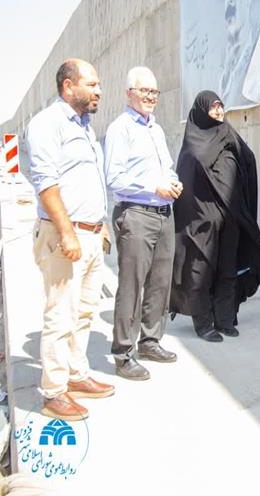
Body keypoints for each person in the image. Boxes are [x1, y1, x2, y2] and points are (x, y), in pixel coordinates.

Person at [26, 58, 115, 421]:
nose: (99, 91)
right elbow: (45, 183)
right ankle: (53, 391)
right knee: (60, 314)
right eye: (91, 84)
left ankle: (76, 375)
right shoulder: (47, 124)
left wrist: (101, 224)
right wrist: (67, 233)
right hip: (66, 235)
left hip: (91, 234)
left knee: (84, 311)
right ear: (68, 86)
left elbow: (89, 180)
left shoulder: (85, 127)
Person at [169, 91, 260, 341]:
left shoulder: (227, 133)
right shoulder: (194, 140)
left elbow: (248, 159)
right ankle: (203, 323)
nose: (218, 111)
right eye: (213, 107)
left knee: (228, 269)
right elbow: (188, 176)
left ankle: (224, 318)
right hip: (202, 220)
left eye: (220, 106)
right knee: (201, 271)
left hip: (231, 217)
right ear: (201, 110)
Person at [104, 67, 182, 381]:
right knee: (131, 285)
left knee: (161, 282)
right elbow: (114, 178)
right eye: (144, 91)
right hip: (136, 214)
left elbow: (167, 168)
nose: (150, 97)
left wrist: (173, 182)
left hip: (164, 213)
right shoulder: (120, 129)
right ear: (129, 93)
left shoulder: (156, 129)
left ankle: (150, 341)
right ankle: (123, 353)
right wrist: (154, 187)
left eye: (154, 92)